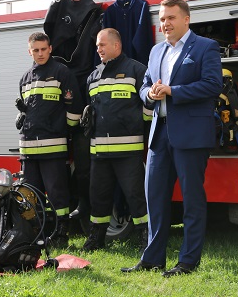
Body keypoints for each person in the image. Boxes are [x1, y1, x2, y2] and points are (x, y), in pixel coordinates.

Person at [121, 0, 222, 277]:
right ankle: (153, 259)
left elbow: (213, 85)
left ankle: (187, 262)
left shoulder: (205, 47)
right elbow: (143, 86)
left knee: (191, 200)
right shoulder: (155, 51)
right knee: (154, 198)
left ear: (186, 19)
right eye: (162, 19)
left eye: (171, 18)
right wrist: (150, 94)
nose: (165, 23)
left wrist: (173, 90)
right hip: (159, 132)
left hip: (190, 134)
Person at [82, 28, 151, 251]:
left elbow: (148, 110)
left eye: (102, 45)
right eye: (97, 46)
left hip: (129, 151)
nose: (98, 49)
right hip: (99, 152)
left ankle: (145, 237)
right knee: (98, 197)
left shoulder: (136, 70)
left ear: (116, 46)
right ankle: (97, 238)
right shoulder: (92, 76)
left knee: (136, 195)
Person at [16, 32, 83, 247]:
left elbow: (75, 108)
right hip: (28, 148)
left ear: (50, 49)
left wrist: (66, 131)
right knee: (31, 195)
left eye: (44, 49)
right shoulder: (25, 78)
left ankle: (61, 234)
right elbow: (30, 111)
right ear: (29, 51)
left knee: (57, 193)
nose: (40, 53)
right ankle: (36, 235)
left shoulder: (62, 72)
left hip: (53, 145)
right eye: (35, 50)